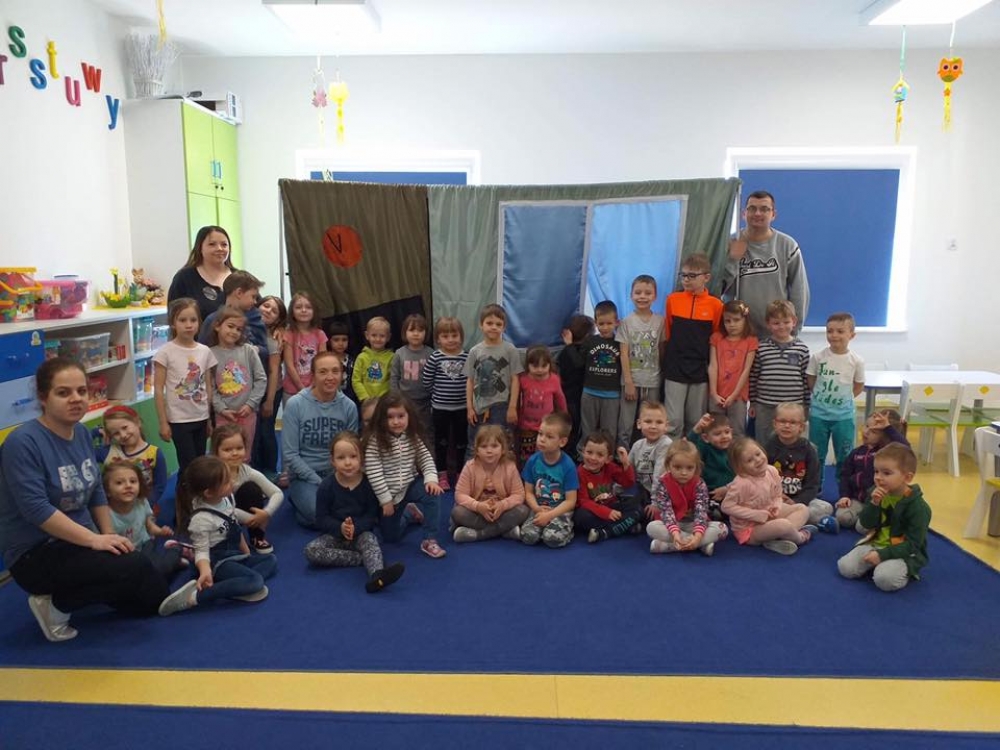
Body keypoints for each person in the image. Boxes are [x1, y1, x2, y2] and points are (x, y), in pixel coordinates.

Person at [0, 357, 169, 642]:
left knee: (149, 601)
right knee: (135, 565)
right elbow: (36, 509)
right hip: (36, 552)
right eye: (63, 392)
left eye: (81, 391)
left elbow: (96, 490)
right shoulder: (22, 443)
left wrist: (109, 535)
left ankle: (101, 586)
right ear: (43, 397)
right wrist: (95, 541)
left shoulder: (79, 432)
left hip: (78, 542)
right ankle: (55, 605)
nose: (76, 399)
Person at [158, 455, 277, 616]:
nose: (232, 482)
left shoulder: (225, 499)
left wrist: (246, 553)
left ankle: (235, 586)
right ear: (208, 493)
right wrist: (205, 570)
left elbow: (234, 526)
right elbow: (202, 551)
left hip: (233, 554)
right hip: (217, 561)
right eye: (226, 482)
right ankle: (196, 596)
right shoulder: (201, 519)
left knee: (270, 560)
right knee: (256, 581)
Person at [304, 431, 405, 593]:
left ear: (361, 458)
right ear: (332, 460)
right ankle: (361, 559)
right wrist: (341, 528)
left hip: (360, 534)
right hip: (335, 536)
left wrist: (355, 528)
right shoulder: (326, 487)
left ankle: (377, 576)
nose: (348, 463)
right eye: (341, 458)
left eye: (353, 457)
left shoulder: (368, 484)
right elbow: (321, 519)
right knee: (311, 551)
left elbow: (371, 516)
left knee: (371, 540)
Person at [837, 442, 931, 592]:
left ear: (907, 477)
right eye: (876, 472)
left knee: (884, 580)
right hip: (875, 544)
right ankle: (878, 563)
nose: (878, 478)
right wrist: (874, 503)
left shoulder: (918, 508)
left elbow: (913, 544)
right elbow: (866, 523)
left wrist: (882, 555)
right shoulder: (875, 492)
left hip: (903, 552)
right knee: (845, 568)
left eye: (886, 473)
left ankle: (901, 569)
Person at [282, 351, 359, 527]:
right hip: (305, 476)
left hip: (339, 474)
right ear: (313, 375)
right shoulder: (295, 405)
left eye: (335, 371)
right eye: (323, 372)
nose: (330, 377)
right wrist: (319, 482)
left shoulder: (349, 407)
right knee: (318, 513)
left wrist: (342, 479)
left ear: (342, 374)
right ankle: (304, 504)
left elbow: (352, 450)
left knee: (361, 507)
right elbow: (290, 454)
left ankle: (313, 512)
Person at [364, 393, 446, 559]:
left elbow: (425, 458)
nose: (396, 422)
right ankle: (408, 513)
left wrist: (431, 479)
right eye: (390, 417)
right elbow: (374, 472)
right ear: (381, 419)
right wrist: (385, 500)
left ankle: (429, 539)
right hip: (391, 494)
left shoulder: (412, 436)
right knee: (391, 537)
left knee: (432, 493)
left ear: (409, 416)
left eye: (401, 416)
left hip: (410, 484)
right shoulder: (375, 442)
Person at [722, 191, 810, 337]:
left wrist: (793, 332)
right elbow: (716, 289)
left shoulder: (787, 245)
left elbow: (799, 291)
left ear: (773, 214)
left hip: (777, 335)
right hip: (740, 337)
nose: (757, 213)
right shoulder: (730, 243)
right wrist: (733, 260)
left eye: (764, 209)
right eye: (752, 208)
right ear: (744, 213)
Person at [153, 297, 217, 480]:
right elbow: (158, 390)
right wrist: (163, 422)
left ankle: (195, 495)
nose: (188, 325)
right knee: (188, 464)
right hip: (179, 419)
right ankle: (185, 497)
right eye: (182, 320)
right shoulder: (165, 352)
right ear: (173, 323)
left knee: (200, 462)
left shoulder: (204, 351)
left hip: (201, 417)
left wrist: (209, 419)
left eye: (193, 320)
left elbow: (208, 386)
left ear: (199, 322)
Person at [662, 253, 723, 441]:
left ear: (706, 277)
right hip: (675, 367)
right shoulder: (673, 300)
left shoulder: (716, 305)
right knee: (673, 421)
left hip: (700, 370)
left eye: (692, 276)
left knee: (695, 421)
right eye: (683, 275)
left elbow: (715, 338)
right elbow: (668, 332)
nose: (686, 280)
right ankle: (672, 456)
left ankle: (692, 456)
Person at [721, 437, 813, 555]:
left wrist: (776, 506)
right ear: (740, 467)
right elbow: (726, 506)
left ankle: (781, 537)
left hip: (769, 515)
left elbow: (777, 495)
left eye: (758, 454)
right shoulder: (741, 483)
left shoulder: (772, 471)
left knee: (803, 508)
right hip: (749, 529)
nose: (758, 460)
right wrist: (756, 515)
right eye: (749, 460)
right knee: (783, 525)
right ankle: (800, 537)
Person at [647, 439, 729, 556]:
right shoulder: (663, 482)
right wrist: (675, 533)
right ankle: (699, 545)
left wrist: (698, 536)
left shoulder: (699, 484)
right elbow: (666, 511)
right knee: (651, 527)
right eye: (677, 467)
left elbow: (701, 511)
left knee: (722, 529)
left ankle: (670, 546)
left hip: (693, 524)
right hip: (671, 524)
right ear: (668, 465)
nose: (684, 473)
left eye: (689, 468)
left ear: (696, 467)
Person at [807, 312, 865, 471]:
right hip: (819, 415)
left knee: (844, 455)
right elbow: (811, 379)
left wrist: (845, 398)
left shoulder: (856, 361)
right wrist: (821, 397)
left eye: (840, 331)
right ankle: (815, 484)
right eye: (830, 331)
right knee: (816, 454)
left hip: (843, 417)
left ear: (852, 335)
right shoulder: (818, 357)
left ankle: (844, 485)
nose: (834, 335)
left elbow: (859, 384)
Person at [104, 461, 182, 579]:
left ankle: (175, 550)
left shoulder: (141, 503)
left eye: (133, 481)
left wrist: (160, 531)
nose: (128, 485)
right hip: (125, 555)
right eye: (119, 483)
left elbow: (149, 525)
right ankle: (172, 562)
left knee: (156, 570)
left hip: (144, 545)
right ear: (107, 491)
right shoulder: (105, 514)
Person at [212, 424, 283, 554]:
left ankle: (257, 536)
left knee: (251, 489)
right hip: (215, 517)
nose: (234, 453)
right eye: (227, 450)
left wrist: (266, 513)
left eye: (239, 448)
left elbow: (277, 493)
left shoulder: (247, 471)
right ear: (216, 452)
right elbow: (218, 509)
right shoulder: (212, 475)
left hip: (238, 514)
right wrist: (250, 518)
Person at [451, 425, 529, 543]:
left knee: (523, 510)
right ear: (477, 450)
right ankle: (505, 530)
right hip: (477, 512)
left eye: (494, 446)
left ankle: (478, 534)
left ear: (503, 449)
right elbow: (460, 494)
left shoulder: (510, 467)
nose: (489, 451)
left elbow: (519, 495)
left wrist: (503, 505)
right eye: (484, 446)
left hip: (502, 512)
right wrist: (478, 506)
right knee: (457, 512)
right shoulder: (470, 467)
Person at [748, 299, 810, 448]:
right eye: (776, 323)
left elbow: (806, 380)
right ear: (768, 324)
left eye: (786, 322)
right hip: (765, 406)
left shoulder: (802, 349)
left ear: (794, 322)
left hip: (793, 406)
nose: (781, 326)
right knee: (764, 443)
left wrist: (806, 405)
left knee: (792, 443)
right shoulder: (761, 348)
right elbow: (754, 376)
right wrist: (753, 403)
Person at [465, 303, 523, 455]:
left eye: (498, 324)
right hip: (478, 407)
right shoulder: (474, 351)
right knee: (474, 446)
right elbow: (470, 380)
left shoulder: (510, 350)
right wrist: (470, 407)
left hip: (501, 406)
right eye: (489, 323)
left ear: (504, 327)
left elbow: (515, 379)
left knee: (502, 445)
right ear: (481, 325)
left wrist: (512, 407)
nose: (493, 327)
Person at [764, 403, 834, 528]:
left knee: (825, 508)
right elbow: (762, 478)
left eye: (792, 422)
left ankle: (785, 524)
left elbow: (813, 483)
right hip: (774, 499)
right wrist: (777, 496)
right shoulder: (768, 447)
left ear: (801, 427)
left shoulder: (809, 450)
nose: (787, 426)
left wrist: (797, 501)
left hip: (801, 500)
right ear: (775, 424)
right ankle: (794, 525)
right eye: (782, 421)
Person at [209, 306, 267, 455]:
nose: (234, 332)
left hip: (247, 414)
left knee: (244, 454)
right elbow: (210, 387)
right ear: (217, 326)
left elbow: (261, 379)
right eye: (230, 326)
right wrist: (222, 409)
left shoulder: (248, 351)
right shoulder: (210, 354)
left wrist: (250, 404)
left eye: (239, 329)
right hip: (223, 415)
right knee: (223, 454)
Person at [837, 410, 908, 531]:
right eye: (866, 426)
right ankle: (869, 520)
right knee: (842, 517)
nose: (866, 432)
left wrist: (888, 428)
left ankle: (879, 521)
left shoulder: (886, 452)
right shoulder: (856, 453)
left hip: (877, 502)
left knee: (862, 527)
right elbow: (845, 475)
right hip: (857, 500)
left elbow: (905, 448)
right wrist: (844, 496)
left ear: (884, 436)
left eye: (874, 431)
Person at [617, 274, 664, 449]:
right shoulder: (627, 322)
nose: (642, 296)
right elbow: (623, 353)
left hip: (652, 382)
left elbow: (661, 350)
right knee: (626, 424)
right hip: (631, 382)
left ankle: (648, 455)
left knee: (649, 423)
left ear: (655, 296)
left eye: (647, 293)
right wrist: (628, 382)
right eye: (638, 293)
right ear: (631, 295)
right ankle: (622, 457)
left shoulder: (660, 321)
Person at [520, 411, 579, 548]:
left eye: (549, 436)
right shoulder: (533, 461)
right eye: (540, 434)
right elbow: (528, 492)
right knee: (528, 537)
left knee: (552, 539)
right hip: (539, 508)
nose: (542, 439)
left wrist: (550, 515)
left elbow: (571, 501)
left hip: (559, 511)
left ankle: (567, 529)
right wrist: (537, 508)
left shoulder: (568, 465)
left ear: (562, 442)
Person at [421, 317, 468, 489]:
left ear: (461, 336)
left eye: (454, 335)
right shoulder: (435, 357)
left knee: (461, 442)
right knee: (441, 442)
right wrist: (438, 395)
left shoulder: (466, 356)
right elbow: (427, 381)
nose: (450, 340)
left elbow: (471, 380)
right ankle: (442, 474)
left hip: (462, 408)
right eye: (445, 336)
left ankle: (461, 473)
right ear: (438, 339)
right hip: (440, 408)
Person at [97, 405, 167, 514]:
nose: (123, 435)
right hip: (115, 512)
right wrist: (96, 432)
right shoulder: (108, 452)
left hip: (144, 508)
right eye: (116, 433)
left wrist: (146, 505)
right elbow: (83, 449)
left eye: (125, 427)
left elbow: (159, 486)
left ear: (137, 422)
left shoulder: (154, 453)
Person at [574, 431, 638, 543]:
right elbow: (583, 501)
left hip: (612, 505)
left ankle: (607, 531)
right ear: (583, 452)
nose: (593, 458)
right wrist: (606, 513)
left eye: (600, 455)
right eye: (589, 452)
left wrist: (626, 464)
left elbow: (628, 483)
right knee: (581, 517)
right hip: (593, 511)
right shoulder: (579, 473)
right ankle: (623, 526)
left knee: (637, 506)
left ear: (608, 459)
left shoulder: (609, 467)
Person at [577, 300, 622, 456]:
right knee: (587, 428)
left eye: (609, 323)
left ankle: (608, 458)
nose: (605, 327)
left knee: (609, 431)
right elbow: (579, 362)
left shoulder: (620, 343)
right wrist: (569, 345)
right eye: (601, 324)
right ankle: (584, 457)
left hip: (612, 394)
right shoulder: (590, 341)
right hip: (590, 392)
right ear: (595, 323)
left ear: (617, 323)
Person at [708, 299, 758, 437]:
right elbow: (713, 366)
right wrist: (714, 393)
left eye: (736, 320)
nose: (732, 324)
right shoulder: (716, 338)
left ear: (745, 320)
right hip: (717, 395)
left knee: (737, 432)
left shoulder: (750, 340)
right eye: (727, 321)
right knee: (715, 430)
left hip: (738, 396)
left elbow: (746, 370)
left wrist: (734, 395)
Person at [167, 225, 235, 322]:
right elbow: (173, 316)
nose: (219, 248)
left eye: (224, 245)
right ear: (200, 248)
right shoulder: (184, 278)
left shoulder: (240, 278)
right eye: (212, 244)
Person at [197, 271, 267, 361]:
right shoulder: (212, 320)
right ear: (239, 293)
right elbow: (201, 351)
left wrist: (256, 349)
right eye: (253, 297)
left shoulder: (256, 318)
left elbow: (265, 350)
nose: (255, 302)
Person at [516, 344, 567, 467]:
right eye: (535, 366)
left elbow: (560, 399)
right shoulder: (523, 379)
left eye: (544, 366)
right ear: (528, 365)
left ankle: (542, 473)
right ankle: (526, 474)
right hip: (527, 426)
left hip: (546, 426)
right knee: (526, 456)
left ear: (550, 365)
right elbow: (516, 400)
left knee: (544, 453)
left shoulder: (554, 379)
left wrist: (564, 416)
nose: (539, 370)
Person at [253, 294, 287, 476]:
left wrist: (269, 401)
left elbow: (274, 371)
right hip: (252, 391)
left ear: (278, 320)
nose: (268, 311)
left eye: (274, 311)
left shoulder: (273, 339)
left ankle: (270, 470)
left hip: (271, 391)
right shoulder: (248, 329)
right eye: (266, 306)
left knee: (266, 431)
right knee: (254, 432)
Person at [627, 400, 673, 521]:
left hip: (662, 494)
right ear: (639, 424)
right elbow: (629, 472)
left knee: (643, 513)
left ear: (666, 426)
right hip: (644, 490)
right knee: (627, 504)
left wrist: (655, 502)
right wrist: (615, 491)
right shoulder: (637, 445)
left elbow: (660, 475)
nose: (653, 426)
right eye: (648, 421)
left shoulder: (665, 444)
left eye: (659, 422)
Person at [390, 313, 433, 438]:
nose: (416, 334)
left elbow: (435, 378)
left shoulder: (431, 353)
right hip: (405, 401)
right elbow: (394, 377)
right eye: (412, 330)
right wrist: (396, 398)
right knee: (406, 430)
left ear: (426, 333)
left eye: (420, 330)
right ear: (405, 332)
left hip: (426, 402)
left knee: (426, 430)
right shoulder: (399, 353)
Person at [556, 314, 593, 457]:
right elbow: (579, 364)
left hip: (572, 396)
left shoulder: (569, 350)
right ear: (587, 334)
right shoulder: (575, 351)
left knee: (572, 428)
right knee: (573, 429)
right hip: (573, 397)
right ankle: (570, 455)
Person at [282, 291, 329, 405]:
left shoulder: (320, 334)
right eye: (298, 307)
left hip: (316, 388)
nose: (303, 310)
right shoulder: (288, 334)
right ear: (292, 312)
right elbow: (289, 365)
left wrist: (314, 386)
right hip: (292, 390)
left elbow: (322, 363)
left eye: (308, 307)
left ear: (314, 311)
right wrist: (302, 389)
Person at [688, 413, 736, 514]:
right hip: (710, 492)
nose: (724, 436)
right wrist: (696, 429)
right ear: (706, 438)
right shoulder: (705, 448)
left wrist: (727, 489)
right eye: (717, 434)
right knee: (705, 506)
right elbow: (689, 446)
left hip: (731, 490)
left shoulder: (735, 451)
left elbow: (743, 476)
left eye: (727, 432)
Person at [353, 316, 394, 403]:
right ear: (367, 335)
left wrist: (386, 398)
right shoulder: (361, 357)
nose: (378, 339)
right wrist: (365, 398)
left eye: (382, 336)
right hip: (366, 402)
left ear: (388, 337)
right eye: (374, 335)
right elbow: (356, 380)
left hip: (385, 402)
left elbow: (393, 380)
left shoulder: (392, 357)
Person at [327, 320, 355, 404]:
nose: (340, 343)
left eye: (344, 340)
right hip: (330, 397)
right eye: (336, 340)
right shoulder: (326, 360)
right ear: (329, 341)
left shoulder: (352, 361)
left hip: (349, 397)